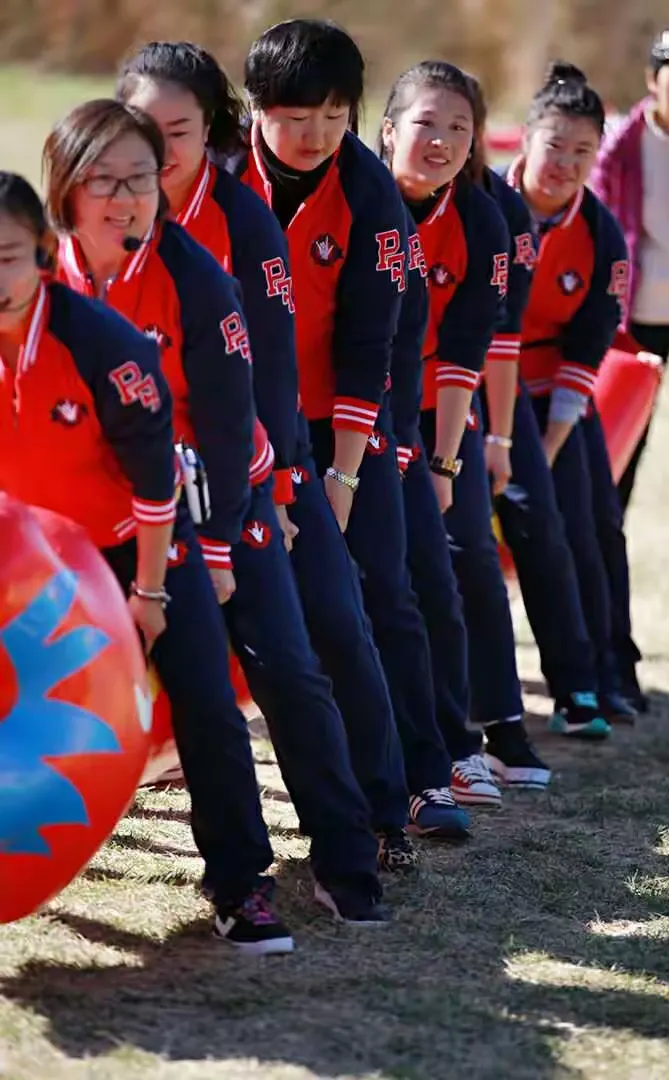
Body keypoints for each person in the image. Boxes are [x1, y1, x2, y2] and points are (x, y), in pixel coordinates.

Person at [44, 99, 390, 928]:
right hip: (116, 513)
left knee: (283, 668)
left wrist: (224, 545)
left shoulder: (196, 277)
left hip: (224, 496)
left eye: (144, 178)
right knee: (197, 692)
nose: (128, 198)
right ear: (65, 190)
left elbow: (234, 424)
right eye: (106, 181)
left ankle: (344, 855)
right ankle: (237, 874)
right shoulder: (41, 277)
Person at [116, 41, 417, 874]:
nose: (159, 149)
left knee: (335, 616)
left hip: (263, 451)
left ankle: (379, 813)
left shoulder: (251, 212)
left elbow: (283, 368)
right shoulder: (100, 200)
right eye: (144, 128)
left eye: (178, 130)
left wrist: (299, 485)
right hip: (136, 465)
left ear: (207, 126)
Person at [0, 170, 293, 955]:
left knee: (204, 700)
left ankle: (240, 887)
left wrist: (152, 592)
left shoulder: (106, 344)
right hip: (28, 560)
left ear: (45, 253)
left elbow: (158, 483)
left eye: (8, 258)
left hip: (138, 544)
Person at [235, 19, 469, 838]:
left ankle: (422, 775)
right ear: (257, 109)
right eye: (299, 114)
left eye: (336, 115)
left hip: (352, 413)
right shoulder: (221, 180)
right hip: (242, 417)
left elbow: (375, 346)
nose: (317, 134)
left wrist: (341, 477)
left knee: (385, 581)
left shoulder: (369, 195)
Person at [378, 59, 552, 786]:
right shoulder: (356, 196)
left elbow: (471, 351)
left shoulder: (484, 216)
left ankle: (491, 730)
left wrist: (456, 460)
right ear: (388, 130)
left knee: (467, 556)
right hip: (345, 406)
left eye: (459, 128)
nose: (442, 141)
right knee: (386, 574)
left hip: (437, 409)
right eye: (426, 123)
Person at [464, 72, 638, 733]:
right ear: (525, 139)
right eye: (555, 145)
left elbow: (585, 355)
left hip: (551, 402)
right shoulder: (478, 200)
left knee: (582, 526)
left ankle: (590, 682)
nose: (565, 164)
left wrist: (539, 450)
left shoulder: (601, 236)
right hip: (466, 390)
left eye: (582, 152)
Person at [591, 24, 669, 584]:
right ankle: (603, 539)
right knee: (622, 434)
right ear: (652, 79)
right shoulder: (618, 147)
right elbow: (595, 220)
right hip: (635, 314)